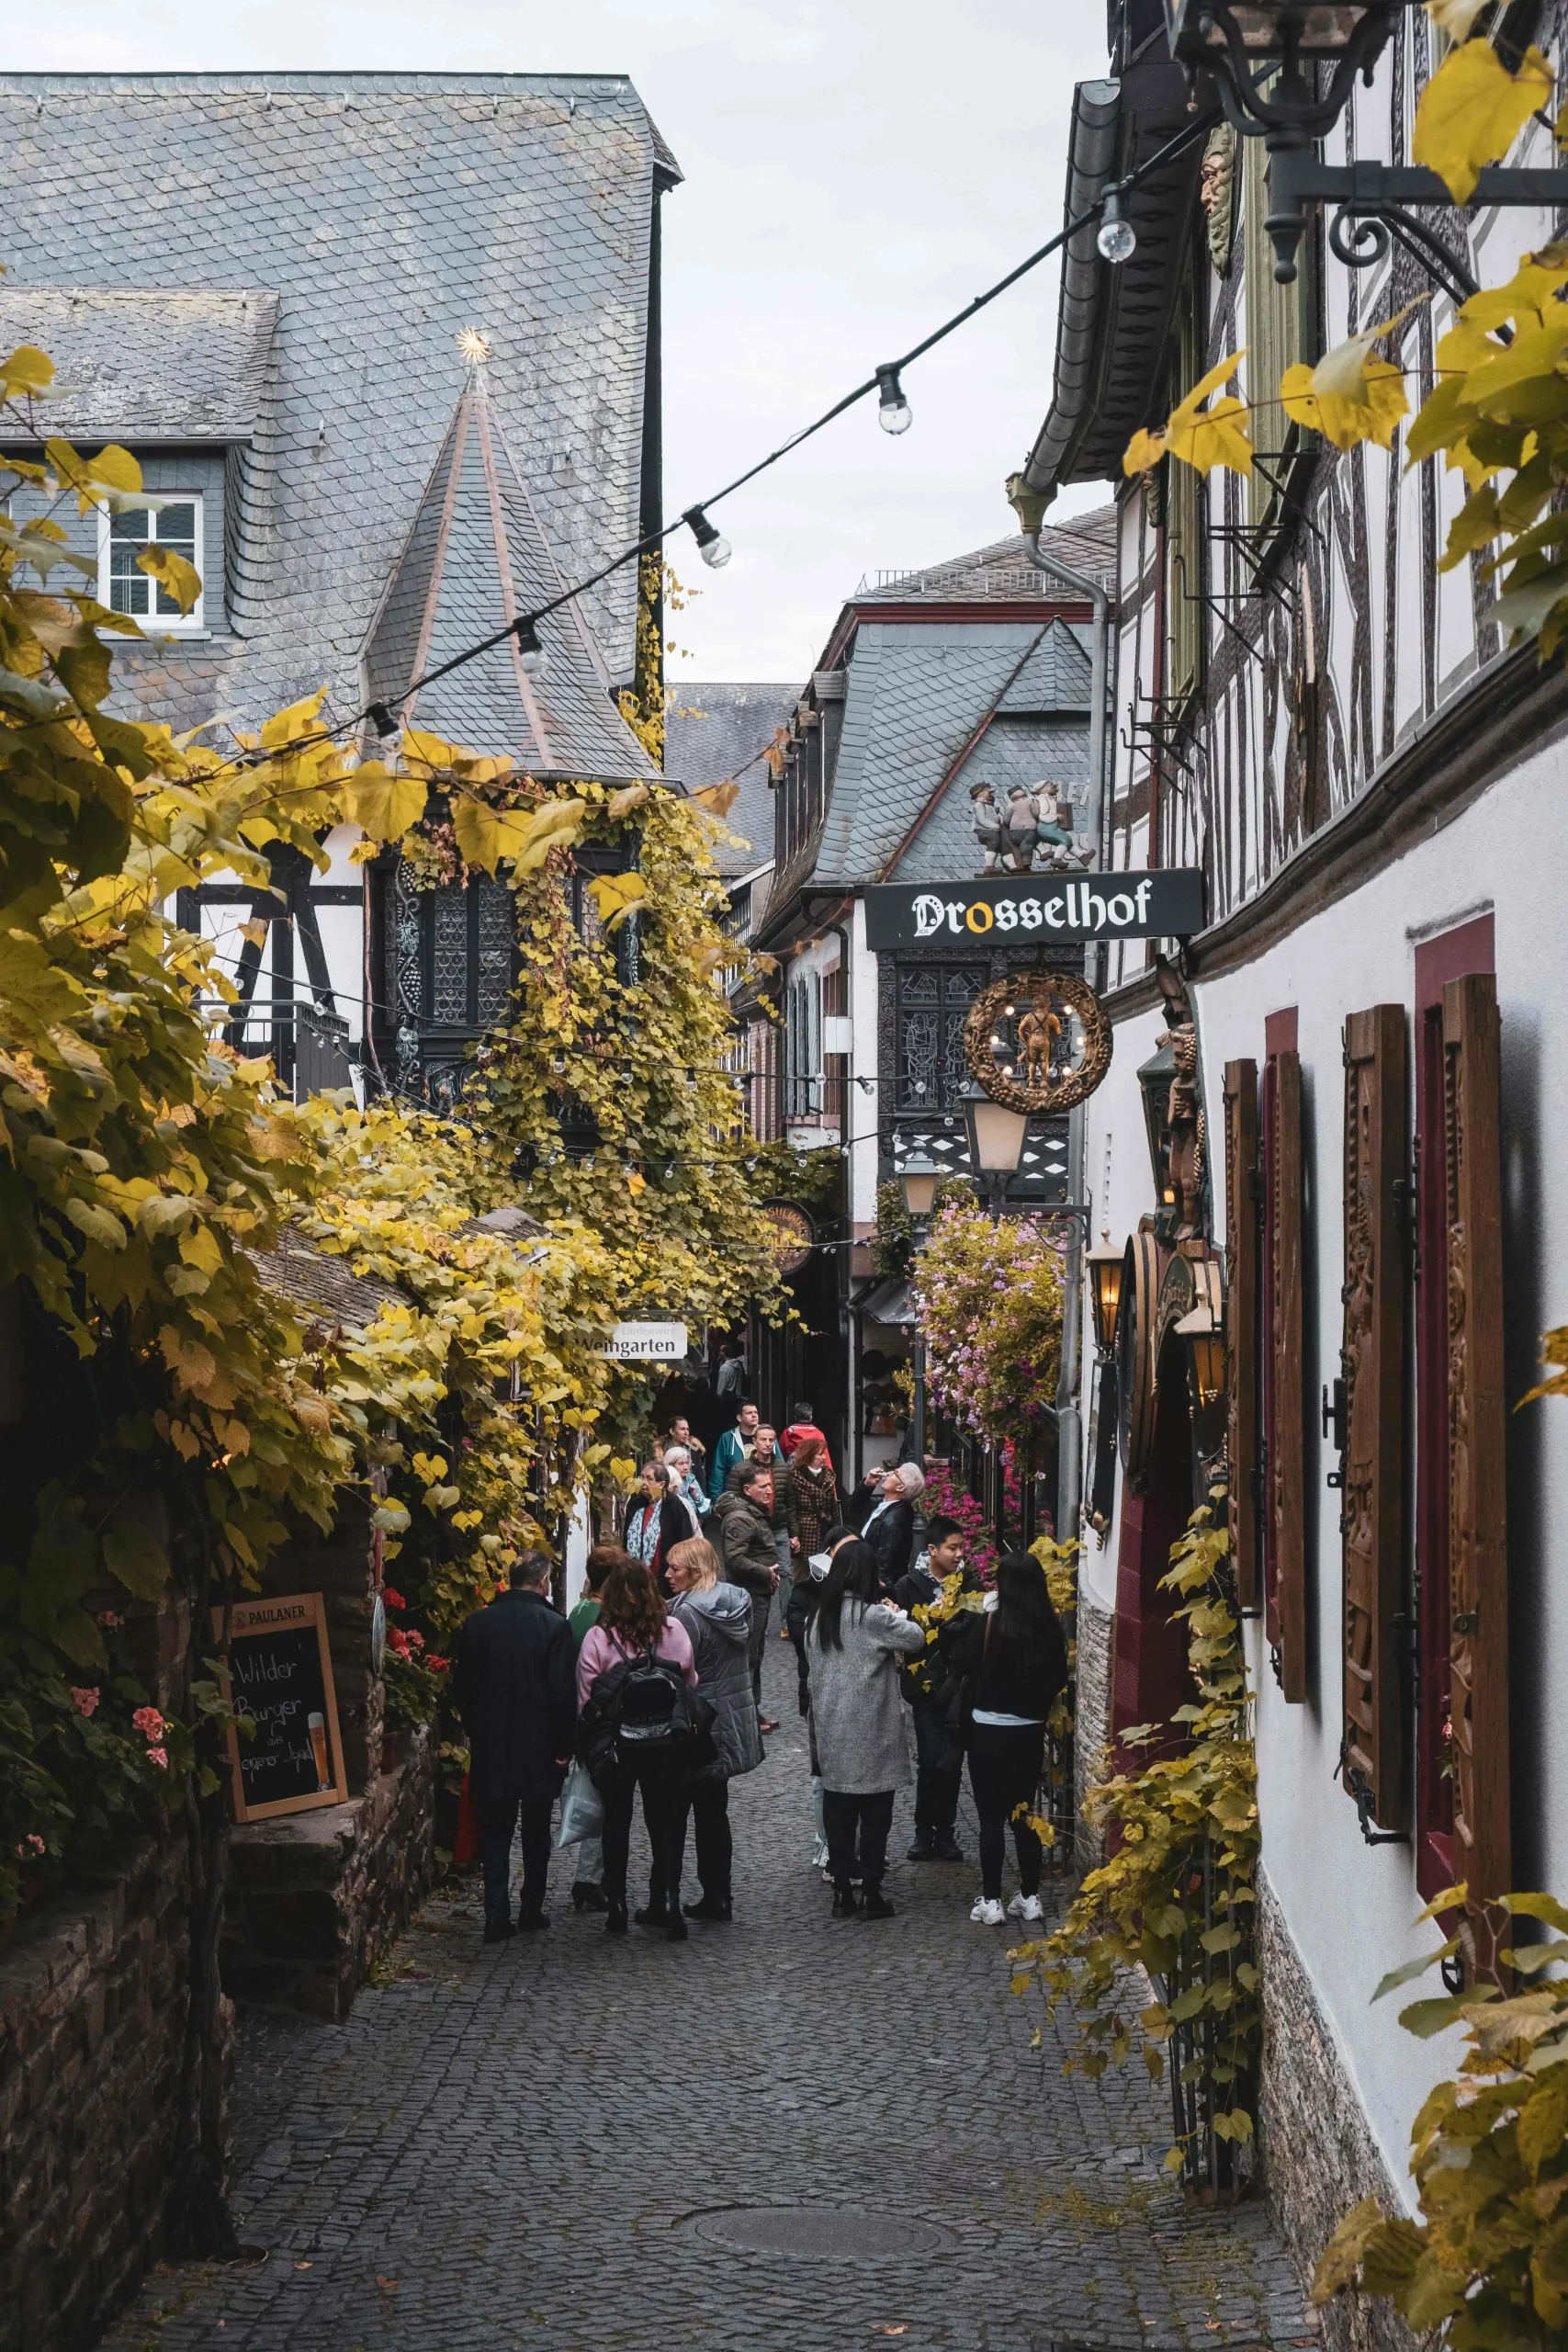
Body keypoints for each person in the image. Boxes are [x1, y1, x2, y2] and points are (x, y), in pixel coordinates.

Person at [452, 1549, 578, 1943]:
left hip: (493, 1741)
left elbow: (463, 1689)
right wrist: (564, 1744)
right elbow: (562, 1694)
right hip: (539, 1743)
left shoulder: (478, 1624)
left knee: (496, 1830)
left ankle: (496, 1914)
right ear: (542, 1582)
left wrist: (476, 1728)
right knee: (537, 1829)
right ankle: (531, 1907)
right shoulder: (554, 1626)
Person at [945, 1549, 1069, 1927]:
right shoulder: (1050, 1631)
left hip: (987, 1730)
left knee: (990, 1818)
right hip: (1028, 1732)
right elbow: (1059, 1679)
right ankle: (1030, 1897)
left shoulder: (990, 1625)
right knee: (1023, 1815)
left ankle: (991, 1900)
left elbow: (961, 1661)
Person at [576, 1557, 698, 1939]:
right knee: (665, 1823)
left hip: (618, 1745)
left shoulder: (599, 1638)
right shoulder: (674, 1630)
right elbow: (690, 1683)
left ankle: (617, 1905)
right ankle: (668, 1900)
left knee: (616, 1823)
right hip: (665, 1742)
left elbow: (586, 1699)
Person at [805, 1536, 925, 1919]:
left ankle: (841, 1890)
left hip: (832, 1727)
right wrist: (897, 1613)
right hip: (873, 1731)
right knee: (875, 1817)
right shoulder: (873, 1617)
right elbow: (917, 1639)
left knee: (838, 1815)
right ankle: (871, 1891)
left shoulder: (817, 1618)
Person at [666, 1535, 761, 1921]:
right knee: (713, 1812)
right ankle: (719, 1893)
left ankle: (679, 1895)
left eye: (674, 1568)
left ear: (695, 1571)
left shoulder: (689, 1613)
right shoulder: (735, 1602)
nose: (667, 1574)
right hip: (728, 1718)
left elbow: (677, 1667)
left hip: (698, 1724)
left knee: (679, 1812)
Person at [893, 1515, 970, 1863]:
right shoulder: (908, 1586)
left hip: (959, 1686)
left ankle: (946, 1832)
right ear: (933, 1550)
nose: (959, 1554)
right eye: (953, 1548)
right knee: (929, 1760)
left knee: (951, 1761)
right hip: (925, 1686)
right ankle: (924, 1831)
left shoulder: (967, 1583)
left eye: (961, 1547)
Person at [788, 1521, 856, 1871]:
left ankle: (857, 1845)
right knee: (824, 1775)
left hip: (859, 1694)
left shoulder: (864, 1592)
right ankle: (826, 1843)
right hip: (819, 1693)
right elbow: (805, 1639)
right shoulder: (806, 1592)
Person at [564, 1545, 627, 1912]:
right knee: (602, 1801)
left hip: (580, 1715)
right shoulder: (602, 1619)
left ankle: (591, 1876)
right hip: (596, 1718)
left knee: (594, 1793)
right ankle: (589, 1878)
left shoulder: (579, 1610)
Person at [712, 1462, 782, 1721]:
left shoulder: (753, 1512)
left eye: (770, 1485)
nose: (769, 1491)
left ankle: (752, 1711)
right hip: (748, 1596)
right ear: (747, 1490)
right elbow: (734, 1559)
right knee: (749, 1654)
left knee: (756, 1652)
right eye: (763, 1486)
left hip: (757, 1593)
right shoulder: (740, 1518)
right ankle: (746, 1715)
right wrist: (765, 1572)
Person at [724, 1420, 799, 1593]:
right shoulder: (740, 1469)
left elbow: (790, 1502)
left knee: (786, 1573)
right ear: (755, 1442)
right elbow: (731, 1501)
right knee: (753, 1573)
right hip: (752, 1528)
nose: (767, 1443)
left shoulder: (783, 1468)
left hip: (778, 1527)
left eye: (771, 1440)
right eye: (763, 1439)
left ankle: (786, 1611)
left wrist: (794, 1533)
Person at [622, 1460, 695, 1588]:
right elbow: (626, 1537)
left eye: (649, 1478)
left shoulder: (674, 1507)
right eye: (642, 1477)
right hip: (634, 1578)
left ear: (661, 1484)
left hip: (664, 1579)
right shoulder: (635, 1503)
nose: (643, 1482)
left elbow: (684, 1542)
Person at [856, 1460, 925, 1587]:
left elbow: (886, 1567)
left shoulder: (894, 1521)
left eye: (895, 1473)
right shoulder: (884, 1505)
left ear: (900, 1487)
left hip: (873, 1587)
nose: (888, 1473)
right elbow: (855, 1508)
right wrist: (867, 1485)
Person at [788, 1432, 839, 1564]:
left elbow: (833, 1508)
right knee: (803, 1567)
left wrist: (837, 1533)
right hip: (805, 1531)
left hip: (824, 1529)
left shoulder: (828, 1476)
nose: (824, 1457)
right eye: (820, 1454)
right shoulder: (795, 1477)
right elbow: (791, 1509)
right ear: (809, 1456)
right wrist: (794, 1535)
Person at [708, 1396, 761, 1500]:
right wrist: (716, 1499)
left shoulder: (766, 1435)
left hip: (761, 1493)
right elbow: (718, 1469)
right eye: (749, 1413)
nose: (754, 1415)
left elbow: (778, 1464)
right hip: (735, 1495)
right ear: (739, 1418)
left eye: (756, 1412)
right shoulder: (727, 1438)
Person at [662, 1442, 711, 1524]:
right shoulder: (663, 1482)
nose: (686, 1467)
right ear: (670, 1465)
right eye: (681, 1464)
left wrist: (697, 1497)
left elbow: (706, 1513)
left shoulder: (690, 1479)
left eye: (687, 1463)